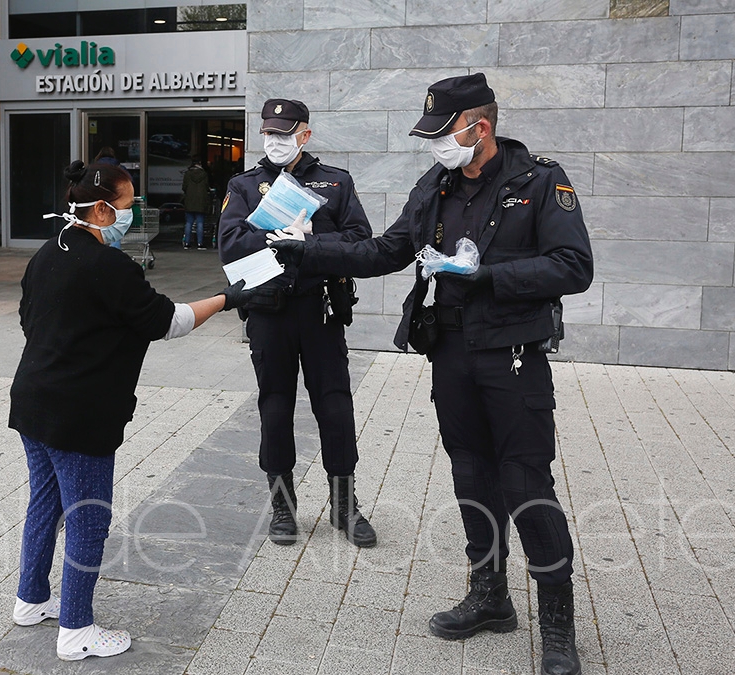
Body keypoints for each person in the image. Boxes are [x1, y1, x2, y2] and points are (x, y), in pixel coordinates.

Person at [268, 73, 593, 675]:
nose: (438, 145)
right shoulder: (435, 185)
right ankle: (490, 596)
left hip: (512, 356)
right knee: (471, 474)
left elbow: (574, 267)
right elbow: (388, 250)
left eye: (445, 133)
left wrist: (489, 278)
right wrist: (307, 251)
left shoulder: (541, 183)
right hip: (450, 352)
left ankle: (557, 625)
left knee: (525, 483)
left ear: (481, 127)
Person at [9, 160, 271, 661]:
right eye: (130, 205)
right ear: (104, 210)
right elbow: (167, 322)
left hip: (34, 402)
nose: (136, 212)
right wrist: (228, 297)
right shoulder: (110, 267)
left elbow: (29, 320)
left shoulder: (48, 253)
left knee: (45, 503)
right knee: (88, 518)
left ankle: (30, 600)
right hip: (79, 415)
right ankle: (77, 631)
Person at [218, 98, 378, 549]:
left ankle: (345, 505)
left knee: (335, 405)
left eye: (285, 133)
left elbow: (360, 241)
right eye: (269, 133)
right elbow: (230, 244)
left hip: (320, 308)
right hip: (270, 311)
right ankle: (282, 507)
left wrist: (312, 239)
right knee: (275, 405)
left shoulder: (335, 182)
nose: (275, 141)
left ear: (304, 134)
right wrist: (274, 233)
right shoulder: (245, 185)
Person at [182, 157, 211, 249]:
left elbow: (184, 187)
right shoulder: (204, 174)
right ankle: (200, 243)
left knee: (189, 223)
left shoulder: (187, 174)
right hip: (201, 202)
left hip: (189, 201)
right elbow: (207, 187)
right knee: (200, 223)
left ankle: (187, 243)